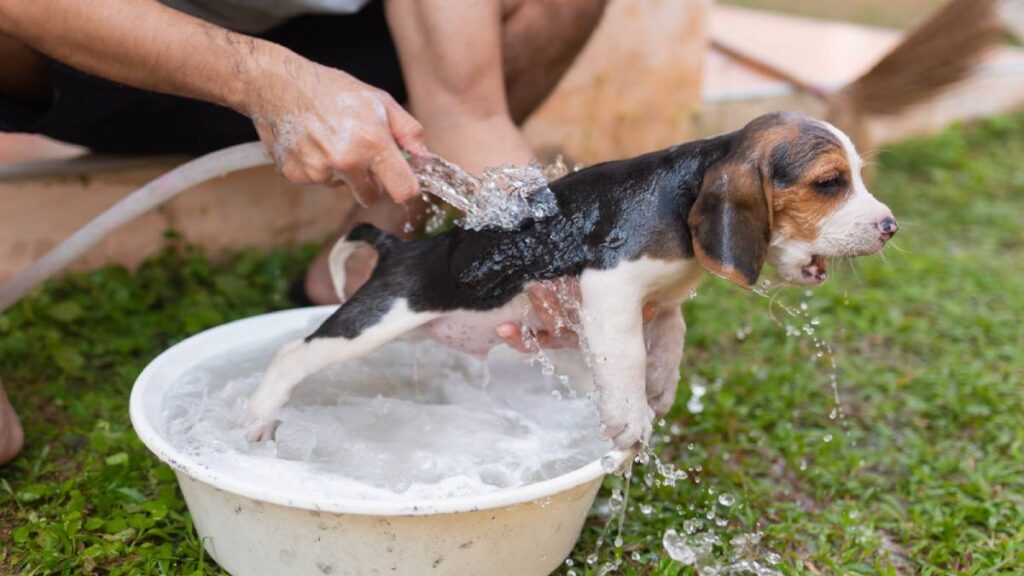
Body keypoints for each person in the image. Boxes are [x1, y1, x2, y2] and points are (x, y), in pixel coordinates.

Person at [0, 0, 608, 464]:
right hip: (96, 46)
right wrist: (265, 80)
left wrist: (546, 250)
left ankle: (369, 265)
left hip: (341, 57)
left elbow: (464, 112)